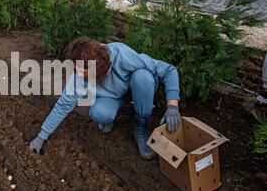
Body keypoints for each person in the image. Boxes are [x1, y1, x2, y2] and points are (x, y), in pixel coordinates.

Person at [29, 38, 182, 160]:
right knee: (99, 113)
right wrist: (42, 136)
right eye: (77, 71)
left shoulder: (122, 55)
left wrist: (172, 106)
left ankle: (141, 126)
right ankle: (109, 118)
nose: (80, 75)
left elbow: (168, 70)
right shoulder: (79, 76)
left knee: (143, 77)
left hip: (135, 90)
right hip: (111, 98)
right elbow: (63, 106)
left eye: (84, 72)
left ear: (99, 66)